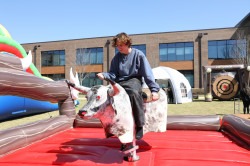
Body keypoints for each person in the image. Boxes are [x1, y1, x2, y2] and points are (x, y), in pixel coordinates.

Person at [97, 32, 160, 140]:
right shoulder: (116, 58)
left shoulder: (138, 55)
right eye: (117, 45)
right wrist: (104, 75)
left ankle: (139, 124)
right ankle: (112, 126)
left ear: (127, 43)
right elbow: (113, 74)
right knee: (106, 94)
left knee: (133, 93)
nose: (119, 48)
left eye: (121, 45)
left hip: (134, 80)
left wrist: (154, 90)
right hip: (119, 81)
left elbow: (147, 73)